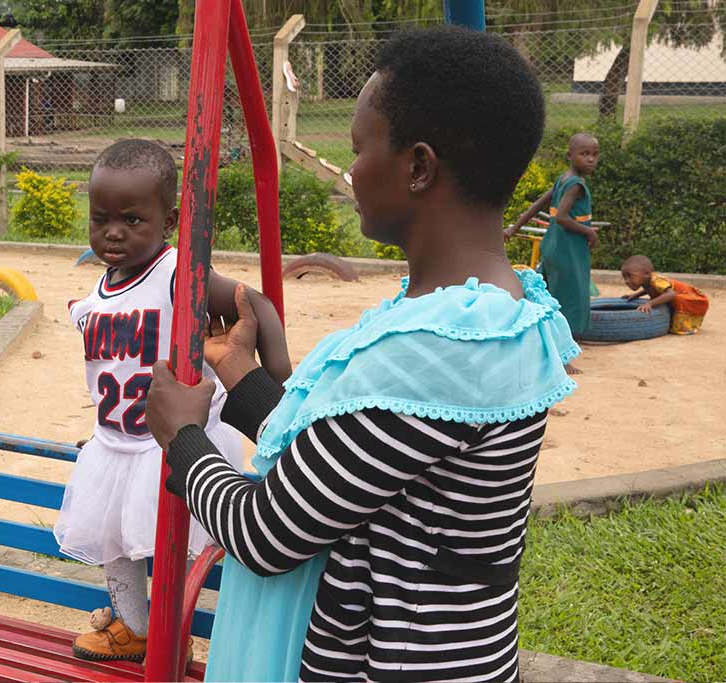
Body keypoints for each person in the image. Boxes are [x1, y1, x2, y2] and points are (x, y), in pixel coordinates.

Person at [145, 26, 579, 682]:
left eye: (357, 147)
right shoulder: (500, 312)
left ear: (418, 166)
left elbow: (268, 530)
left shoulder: (435, 349)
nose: (350, 171)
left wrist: (181, 438)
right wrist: (241, 375)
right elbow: (348, 465)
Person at [55, 139, 291, 664]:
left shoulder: (178, 273)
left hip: (169, 443)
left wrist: (279, 386)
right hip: (115, 443)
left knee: (167, 542)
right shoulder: (101, 286)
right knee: (112, 540)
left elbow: (256, 306)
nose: (113, 233)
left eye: (133, 219)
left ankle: (169, 634)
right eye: (101, 219)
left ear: (171, 219)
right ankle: (135, 630)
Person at [505, 133, 599, 373]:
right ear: (570, 156)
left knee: (549, 294)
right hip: (568, 248)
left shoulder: (564, 179)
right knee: (568, 300)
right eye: (584, 154)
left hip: (553, 245)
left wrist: (514, 227)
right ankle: (561, 357)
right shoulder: (575, 184)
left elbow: (539, 204)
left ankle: (541, 343)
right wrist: (589, 233)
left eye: (594, 155)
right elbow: (561, 217)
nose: (590, 159)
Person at [621, 254, 709, 334]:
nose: (627, 281)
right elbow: (649, 289)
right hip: (684, 299)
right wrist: (636, 295)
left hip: (694, 300)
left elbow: (671, 294)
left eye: (631, 277)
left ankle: (685, 328)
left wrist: (649, 303)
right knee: (663, 300)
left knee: (674, 299)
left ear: (647, 274)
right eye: (625, 278)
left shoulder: (657, 280)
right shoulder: (647, 281)